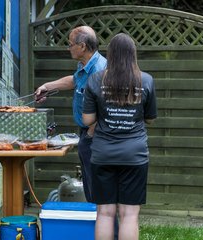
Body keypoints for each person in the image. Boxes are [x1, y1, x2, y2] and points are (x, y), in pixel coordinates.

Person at [35, 26, 119, 239]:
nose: (68, 48)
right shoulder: (85, 67)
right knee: (94, 192)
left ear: (82, 46)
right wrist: (47, 86)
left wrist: (90, 133)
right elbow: (73, 81)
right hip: (88, 134)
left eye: (71, 44)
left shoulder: (101, 69)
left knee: (102, 194)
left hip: (97, 137)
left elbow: (108, 106)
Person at [82, 33, 157, 240]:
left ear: (110, 55)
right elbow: (150, 118)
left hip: (103, 154)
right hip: (134, 155)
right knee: (129, 215)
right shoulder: (146, 80)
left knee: (105, 213)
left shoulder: (95, 79)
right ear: (133, 55)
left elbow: (88, 120)